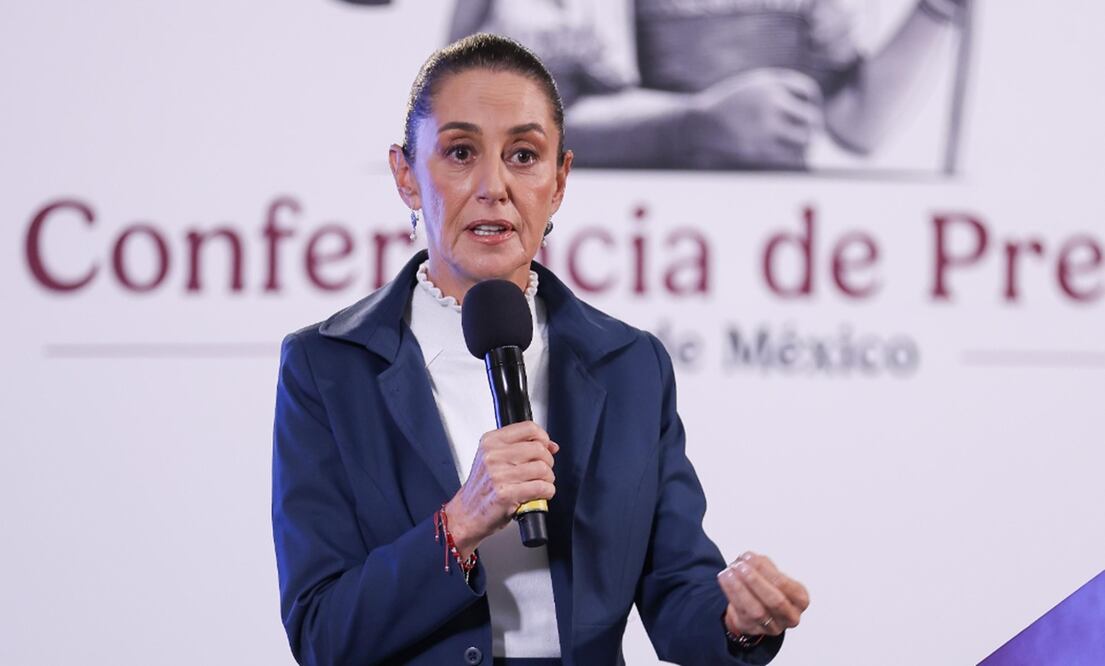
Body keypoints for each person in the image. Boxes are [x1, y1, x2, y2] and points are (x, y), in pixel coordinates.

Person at [271, 34, 808, 665]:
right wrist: (458, 525)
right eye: (461, 152)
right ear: (406, 176)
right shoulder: (328, 367)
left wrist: (736, 619)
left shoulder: (630, 365)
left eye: (523, 155)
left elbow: (676, 590)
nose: (494, 186)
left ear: (559, 181)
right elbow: (322, 634)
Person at [449, 0, 970, 169]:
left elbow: (857, 124)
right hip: (634, 245)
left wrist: (936, 12)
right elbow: (519, 125)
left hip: (776, 245)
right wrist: (694, 125)